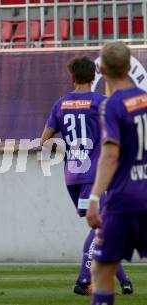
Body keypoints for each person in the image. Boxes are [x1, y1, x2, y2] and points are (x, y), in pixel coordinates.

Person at [40, 56, 133, 295]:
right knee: (102, 228)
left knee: (101, 228)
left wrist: (68, 150)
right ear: (95, 76)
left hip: (72, 177)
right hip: (95, 176)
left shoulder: (60, 104)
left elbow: (44, 140)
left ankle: (124, 282)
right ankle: (83, 281)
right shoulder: (102, 102)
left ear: (72, 77)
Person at [86, 42, 147, 305]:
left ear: (101, 68)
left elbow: (110, 155)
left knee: (101, 270)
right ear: (128, 65)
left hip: (124, 200)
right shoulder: (145, 99)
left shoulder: (111, 105)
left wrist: (94, 198)